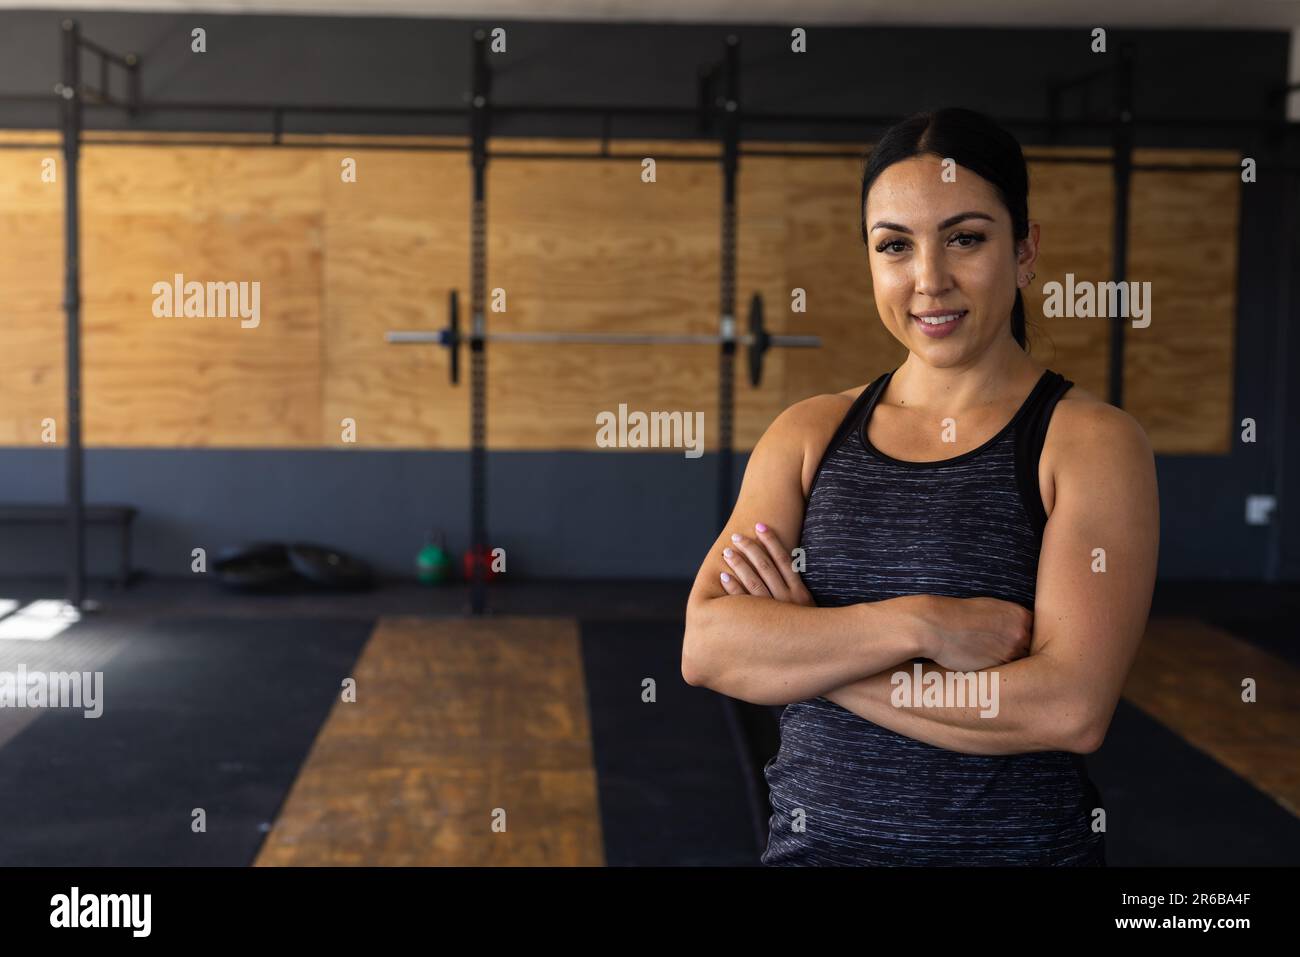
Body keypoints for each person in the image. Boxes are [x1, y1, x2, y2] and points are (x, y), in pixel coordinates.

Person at [680, 107, 1159, 866]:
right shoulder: (808, 434)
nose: (929, 280)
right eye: (895, 246)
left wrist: (811, 657)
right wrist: (920, 623)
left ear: (1026, 249)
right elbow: (708, 646)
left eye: (965, 238)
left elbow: (1069, 707)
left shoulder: (1088, 443)